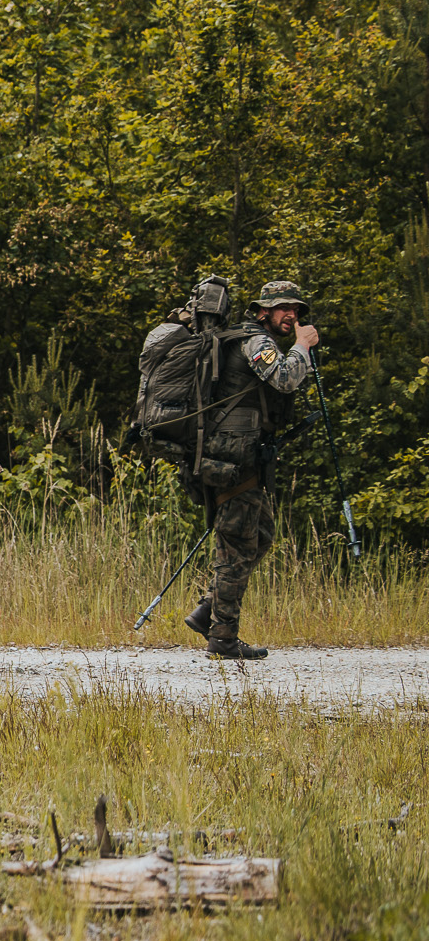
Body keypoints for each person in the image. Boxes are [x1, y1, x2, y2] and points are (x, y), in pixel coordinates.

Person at [181, 279, 319, 660]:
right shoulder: (256, 341)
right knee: (237, 547)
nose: (291, 314)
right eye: (282, 308)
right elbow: (285, 378)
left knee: (261, 535)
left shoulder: (258, 338)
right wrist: (303, 348)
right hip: (234, 459)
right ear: (263, 311)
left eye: (295, 309)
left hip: (244, 456)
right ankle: (223, 638)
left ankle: (208, 609)